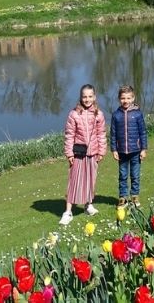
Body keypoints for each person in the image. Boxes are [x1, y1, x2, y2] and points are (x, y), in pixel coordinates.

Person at [59, 84, 108, 225]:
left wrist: (102, 150)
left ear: (94, 97)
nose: (87, 99)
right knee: (73, 182)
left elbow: (101, 134)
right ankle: (68, 211)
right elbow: (69, 135)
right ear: (80, 98)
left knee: (90, 180)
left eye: (90, 96)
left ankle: (88, 205)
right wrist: (69, 153)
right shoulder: (74, 114)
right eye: (84, 96)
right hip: (78, 153)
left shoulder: (98, 114)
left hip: (93, 153)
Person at [110, 85, 148, 207]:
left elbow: (143, 132)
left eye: (128, 98)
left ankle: (135, 197)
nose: (125, 101)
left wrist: (143, 149)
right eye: (123, 98)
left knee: (135, 176)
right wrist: (114, 149)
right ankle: (123, 198)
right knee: (122, 175)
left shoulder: (137, 114)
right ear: (119, 99)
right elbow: (113, 134)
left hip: (136, 151)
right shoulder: (116, 115)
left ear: (133, 98)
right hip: (121, 152)